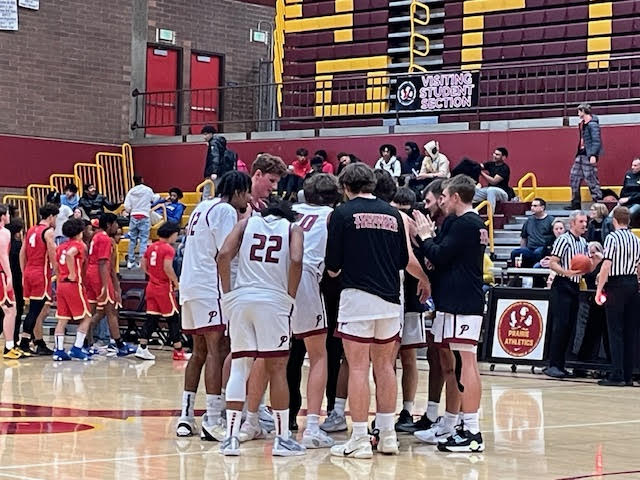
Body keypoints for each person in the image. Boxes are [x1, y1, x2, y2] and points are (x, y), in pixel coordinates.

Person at [326, 163, 409, 459]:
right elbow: (402, 260)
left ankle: (360, 438)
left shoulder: (342, 214)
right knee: (386, 367)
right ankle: (387, 436)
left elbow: (332, 265)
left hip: (357, 298)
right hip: (390, 301)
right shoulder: (394, 214)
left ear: (345, 187)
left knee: (358, 368)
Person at [217, 198, 305, 456]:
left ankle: (231, 438)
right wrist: (290, 295)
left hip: (241, 298)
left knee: (240, 366)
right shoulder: (292, 229)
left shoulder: (246, 223)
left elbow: (223, 255)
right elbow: (297, 260)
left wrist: (227, 293)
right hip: (273, 301)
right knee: (277, 368)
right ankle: (283, 439)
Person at [412, 174, 488, 453]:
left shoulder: (466, 223)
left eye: (444, 195)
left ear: (456, 196)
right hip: (456, 299)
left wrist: (425, 235)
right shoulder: (470, 224)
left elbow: (440, 255)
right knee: (458, 364)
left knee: (467, 362)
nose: (441, 200)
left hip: (462, 301)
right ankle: (459, 425)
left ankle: (472, 432)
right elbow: (439, 259)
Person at [176, 171, 252, 442]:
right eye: (248, 193)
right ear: (240, 191)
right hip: (211, 287)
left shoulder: (201, 206)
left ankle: (185, 417)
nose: (250, 198)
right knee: (216, 350)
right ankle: (212, 417)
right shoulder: (225, 211)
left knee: (198, 352)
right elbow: (225, 252)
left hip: (190, 285)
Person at [286, 174, 341, 448]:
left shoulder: (291, 212)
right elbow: (335, 259)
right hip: (307, 279)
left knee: (281, 355)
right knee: (319, 355)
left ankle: (279, 419)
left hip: (277, 281)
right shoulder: (332, 216)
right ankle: (313, 428)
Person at [544, 210, 594, 378]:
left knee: (571, 326)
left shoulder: (584, 242)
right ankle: (553, 364)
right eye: (581, 221)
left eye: (585, 222)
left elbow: (587, 268)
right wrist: (566, 272)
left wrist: (596, 260)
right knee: (561, 325)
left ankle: (562, 364)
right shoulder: (563, 240)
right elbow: (552, 263)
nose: (584, 224)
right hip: (562, 285)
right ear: (572, 223)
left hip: (576, 286)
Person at [595, 207, 640, 386]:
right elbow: (638, 266)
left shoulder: (612, 238)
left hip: (616, 285)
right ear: (628, 221)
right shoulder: (636, 239)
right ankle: (628, 375)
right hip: (632, 285)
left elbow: (607, 265)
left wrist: (599, 289)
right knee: (630, 332)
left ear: (614, 220)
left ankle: (617, 375)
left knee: (615, 331)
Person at [136, 222, 184, 361]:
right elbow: (167, 267)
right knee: (173, 318)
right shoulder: (168, 249)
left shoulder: (151, 246)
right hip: (163, 288)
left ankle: (142, 347)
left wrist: (152, 275)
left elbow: (142, 264)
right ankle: (178, 350)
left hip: (151, 286)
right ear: (171, 234)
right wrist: (175, 282)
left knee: (152, 318)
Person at [85, 213, 130, 356]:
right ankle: (118, 344)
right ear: (109, 224)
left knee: (94, 311)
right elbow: (103, 263)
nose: (117, 228)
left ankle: (85, 342)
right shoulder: (104, 238)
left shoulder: (95, 237)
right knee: (111, 310)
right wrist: (106, 285)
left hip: (90, 274)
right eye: (116, 224)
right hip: (99, 275)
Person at [19, 203, 58, 356]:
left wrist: (24, 272)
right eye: (55, 217)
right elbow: (52, 253)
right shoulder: (48, 232)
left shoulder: (30, 230)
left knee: (40, 309)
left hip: (29, 271)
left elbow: (23, 253)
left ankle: (38, 342)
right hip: (41, 273)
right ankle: (24, 342)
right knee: (35, 311)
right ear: (50, 217)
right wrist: (58, 271)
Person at [53, 218, 94, 361]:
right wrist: (72, 273)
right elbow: (71, 254)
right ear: (79, 232)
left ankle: (58, 351)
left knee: (62, 319)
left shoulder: (60, 247)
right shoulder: (79, 245)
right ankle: (77, 348)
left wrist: (61, 277)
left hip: (61, 285)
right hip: (73, 284)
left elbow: (56, 267)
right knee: (87, 316)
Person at [567, 103, 603, 210]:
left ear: (583, 111)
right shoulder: (583, 124)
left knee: (591, 178)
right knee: (574, 177)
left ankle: (599, 203)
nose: (578, 113)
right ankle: (575, 204)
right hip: (581, 154)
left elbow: (596, 141)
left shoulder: (593, 124)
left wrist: (593, 155)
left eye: (579, 111)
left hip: (588, 155)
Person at [124, 175, 159, 269]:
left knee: (132, 239)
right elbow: (154, 199)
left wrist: (132, 211)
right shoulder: (148, 190)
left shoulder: (131, 191)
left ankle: (130, 261)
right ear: (142, 180)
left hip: (134, 216)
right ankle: (141, 261)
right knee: (144, 240)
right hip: (145, 215)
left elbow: (127, 206)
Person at [0, 204, 21, 359]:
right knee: (10, 310)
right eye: (7, 214)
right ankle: (8, 347)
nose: (9, 216)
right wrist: (9, 276)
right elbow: (3, 256)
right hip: (1, 273)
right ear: (2, 216)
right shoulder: (4, 232)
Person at [510, 198, 555, 267]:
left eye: (535, 206)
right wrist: (523, 249)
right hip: (530, 249)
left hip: (543, 248)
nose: (532, 208)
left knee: (538, 252)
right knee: (515, 253)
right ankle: (516, 274)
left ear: (542, 208)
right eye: (531, 206)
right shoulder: (529, 221)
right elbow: (524, 237)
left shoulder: (551, 220)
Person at [473, 147, 514, 211]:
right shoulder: (491, 164)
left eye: (497, 155)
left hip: (503, 193)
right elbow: (479, 166)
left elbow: (493, 181)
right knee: (474, 193)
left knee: (491, 190)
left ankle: (490, 215)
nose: (494, 156)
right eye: (494, 154)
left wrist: (481, 172)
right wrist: (473, 166)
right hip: (490, 191)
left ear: (503, 157)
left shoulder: (504, 168)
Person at [201, 125, 237, 199]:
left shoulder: (213, 144)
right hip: (221, 172)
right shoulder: (220, 143)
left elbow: (215, 157)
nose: (204, 137)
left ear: (211, 134)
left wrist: (213, 171)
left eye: (206, 134)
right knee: (218, 190)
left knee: (208, 191)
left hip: (214, 172)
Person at [614, 157, 640, 223]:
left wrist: (629, 199)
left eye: (635, 165)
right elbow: (624, 189)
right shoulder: (628, 174)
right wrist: (620, 199)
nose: (632, 167)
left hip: (637, 202)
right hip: (625, 201)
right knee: (611, 216)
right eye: (632, 165)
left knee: (628, 214)